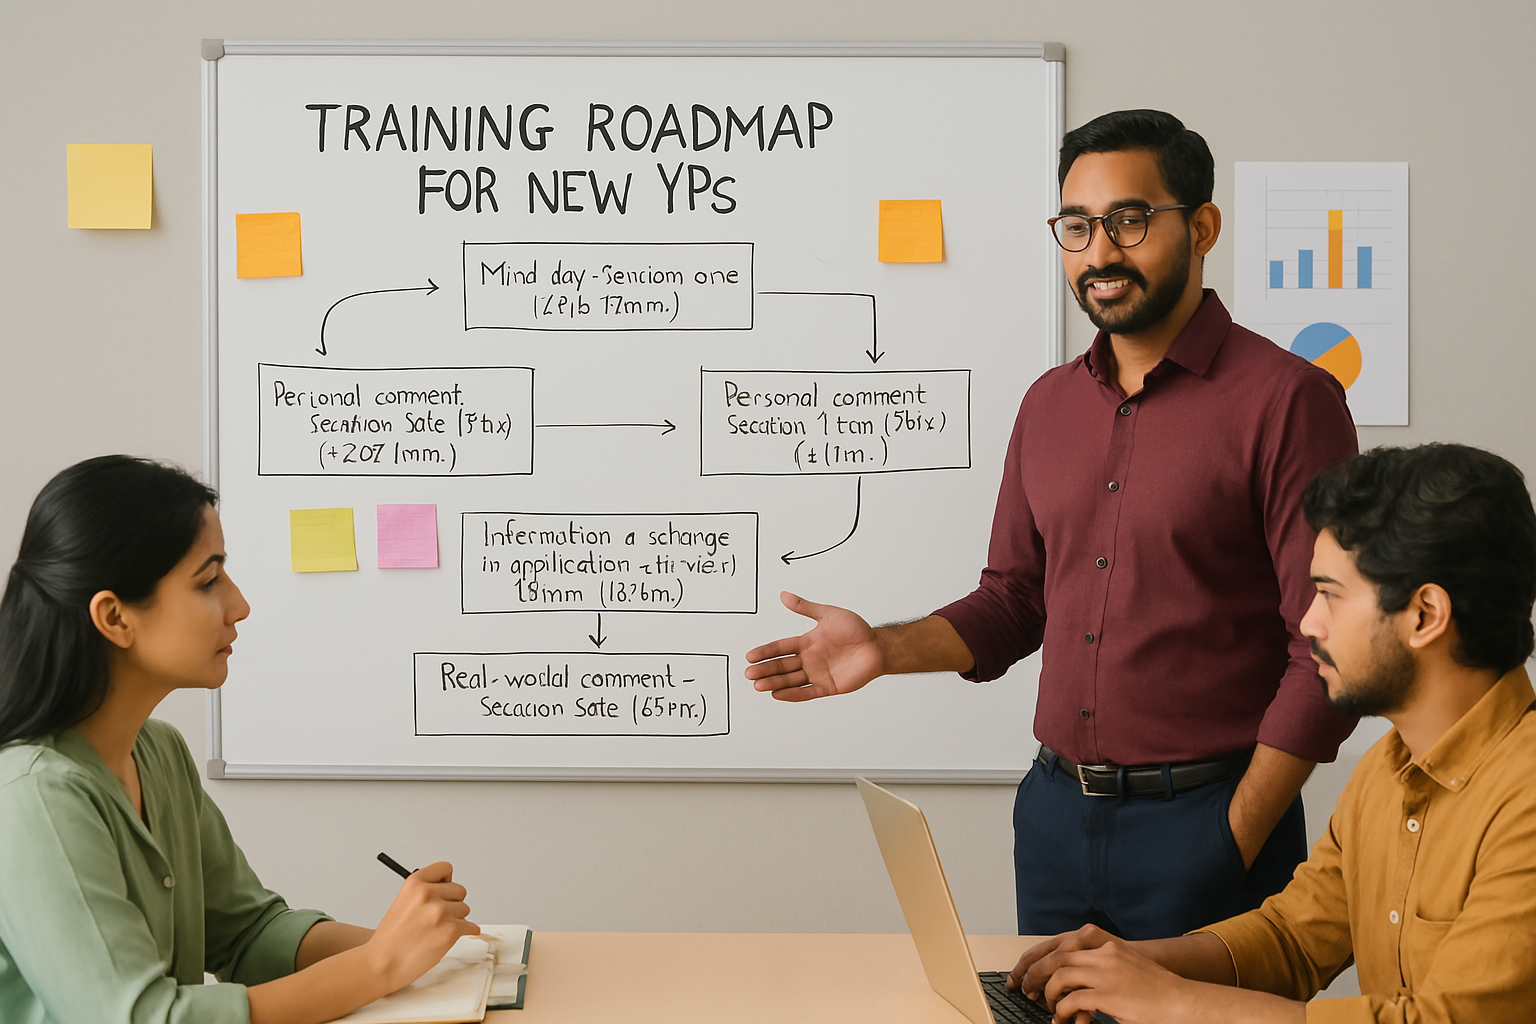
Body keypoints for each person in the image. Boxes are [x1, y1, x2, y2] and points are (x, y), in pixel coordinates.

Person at [746, 109, 1359, 938]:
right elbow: (1014, 600)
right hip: (1053, 822)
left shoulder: (1287, 402)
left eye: (1129, 220)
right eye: (1077, 226)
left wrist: (1234, 834)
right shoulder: (1048, 404)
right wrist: (884, 650)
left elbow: (1329, 646)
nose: (1100, 253)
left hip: (1207, 822)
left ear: (1202, 228)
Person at [1007, 442, 1536, 1023]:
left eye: (1330, 595)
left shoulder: (1525, 798)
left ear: (1425, 615)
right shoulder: (1386, 772)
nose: (1309, 623)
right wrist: (1131, 962)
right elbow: (1292, 939)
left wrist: (1172, 1001)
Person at [0, 455, 478, 1024]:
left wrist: (424, 946)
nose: (240, 606)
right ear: (115, 617)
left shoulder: (160, 754)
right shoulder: (33, 796)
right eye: (208, 581)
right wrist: (381, 963)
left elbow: (249, 933)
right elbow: (142, 1018)